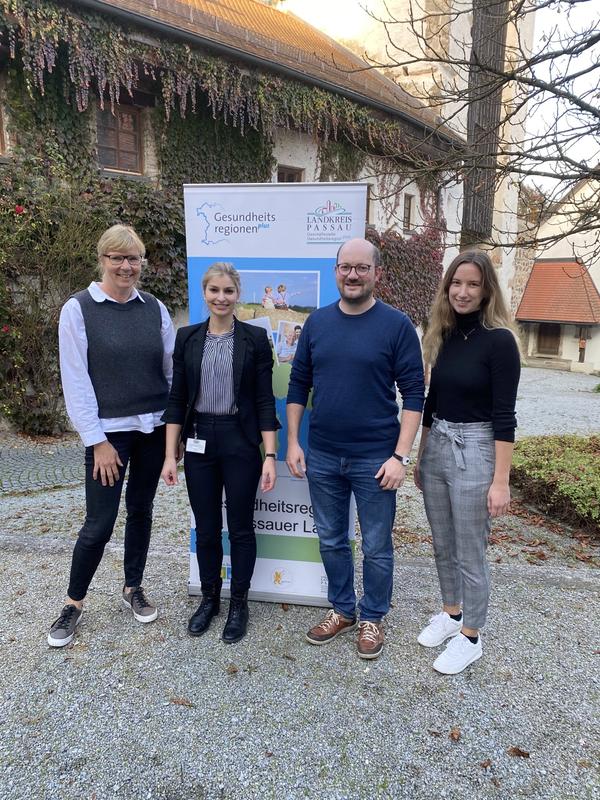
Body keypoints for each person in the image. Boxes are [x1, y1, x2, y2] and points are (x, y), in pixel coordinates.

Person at [286, 238, 425, 660]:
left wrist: (400, 456)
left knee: (377, 545)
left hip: (375, 458)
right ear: (336, 271)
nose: (352, 275)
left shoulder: (397, 325)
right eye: (345, 267)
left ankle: (373, 617)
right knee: (330, 539)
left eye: (362, 268)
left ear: (377, 273)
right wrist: (293, 441)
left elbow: (415, 394)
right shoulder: (317, 323)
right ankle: (343, 609)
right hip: (323, 454)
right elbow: (298, 384)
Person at [48, 224, 175, 647]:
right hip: (110, 437)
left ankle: (132, 588)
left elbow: (171, 371)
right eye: (116, 258)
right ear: (102, 260)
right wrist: (96, 440)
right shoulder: (79, 309)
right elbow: (76, 379)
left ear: (141, 262)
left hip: (153, 430)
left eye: (133, 258)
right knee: (99, 523)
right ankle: (73, 602)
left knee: (141, 510)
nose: (126, 265)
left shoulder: (154, 308)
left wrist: (173, 433)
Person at [414, 250, 521, 675]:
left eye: (472, 284)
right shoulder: (440, 335)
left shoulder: (499, 342)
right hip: (438, 442)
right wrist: (422, 453)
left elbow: (505, 417)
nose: (462, 291)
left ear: (486, 290)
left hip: (476, 448)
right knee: (442, 542)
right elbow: (431, 401)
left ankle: (471, 635)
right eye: (456, 283)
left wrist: (500, 480)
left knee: (469, 550)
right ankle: (451, 613)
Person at [161, 262, 279, 644]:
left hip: (240, 441)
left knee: (242, 528)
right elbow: (177, 399)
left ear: (237, 294)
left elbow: (264, 401)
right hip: (198, 442)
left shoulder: (255, 339)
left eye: (228, 291)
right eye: (214, 290)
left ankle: (238, 603)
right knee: (207, 528)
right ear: (204, 293)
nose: (221, 298)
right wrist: (168, 454)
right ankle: (209, 598)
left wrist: (271, 455)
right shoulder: (187, 338)